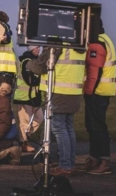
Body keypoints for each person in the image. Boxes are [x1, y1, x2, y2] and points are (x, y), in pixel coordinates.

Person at [27, 46, 86, 176]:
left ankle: (65, 166)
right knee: (68, 128)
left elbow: (40, 67)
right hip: (74, 91)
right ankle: (69, 164)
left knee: (59, 128)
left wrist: (29, 63)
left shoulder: (56, 43)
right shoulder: (79, 43)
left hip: (58, 92)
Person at [79, 20, 116, 175]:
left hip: (97, 91)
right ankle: (95, 159)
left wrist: (88, 91)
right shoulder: (106, 39)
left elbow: (95, 71)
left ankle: (103, 161)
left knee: (97, 127)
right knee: (94, 126)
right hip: (102, 91)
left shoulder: (97, 43)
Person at [13, 46, 43, 153]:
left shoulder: (36, 61)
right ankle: (23, 142)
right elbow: (30, 80)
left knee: (39, 118)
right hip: (24, 96)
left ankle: (23, 137)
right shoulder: (26, 61)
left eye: (39, 48)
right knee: (25, 121)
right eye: (36, 48)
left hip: (34, 96)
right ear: (31, 49)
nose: (39, 50)